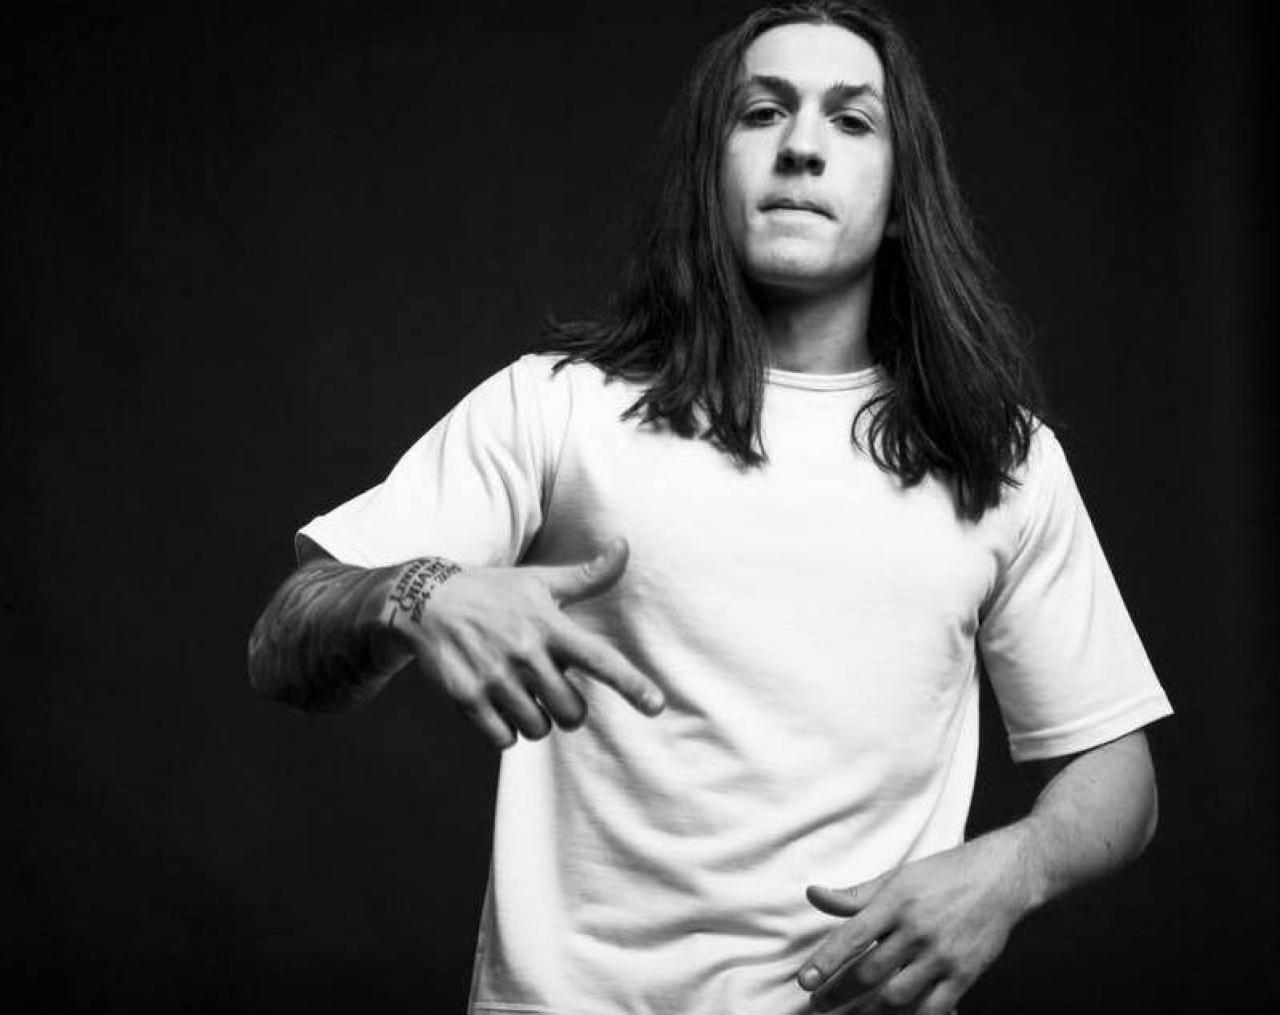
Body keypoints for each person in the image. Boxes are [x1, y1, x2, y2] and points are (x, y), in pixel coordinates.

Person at [247, 2, 1172, 1012]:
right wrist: (419, 590)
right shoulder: (558, 406)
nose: (802, 147)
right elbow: (283, 641)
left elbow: (1116, 768)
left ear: (903, 196)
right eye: (761, 113)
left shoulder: (1000, 457)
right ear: (708, 171)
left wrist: (1009, 871)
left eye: (851, 119)